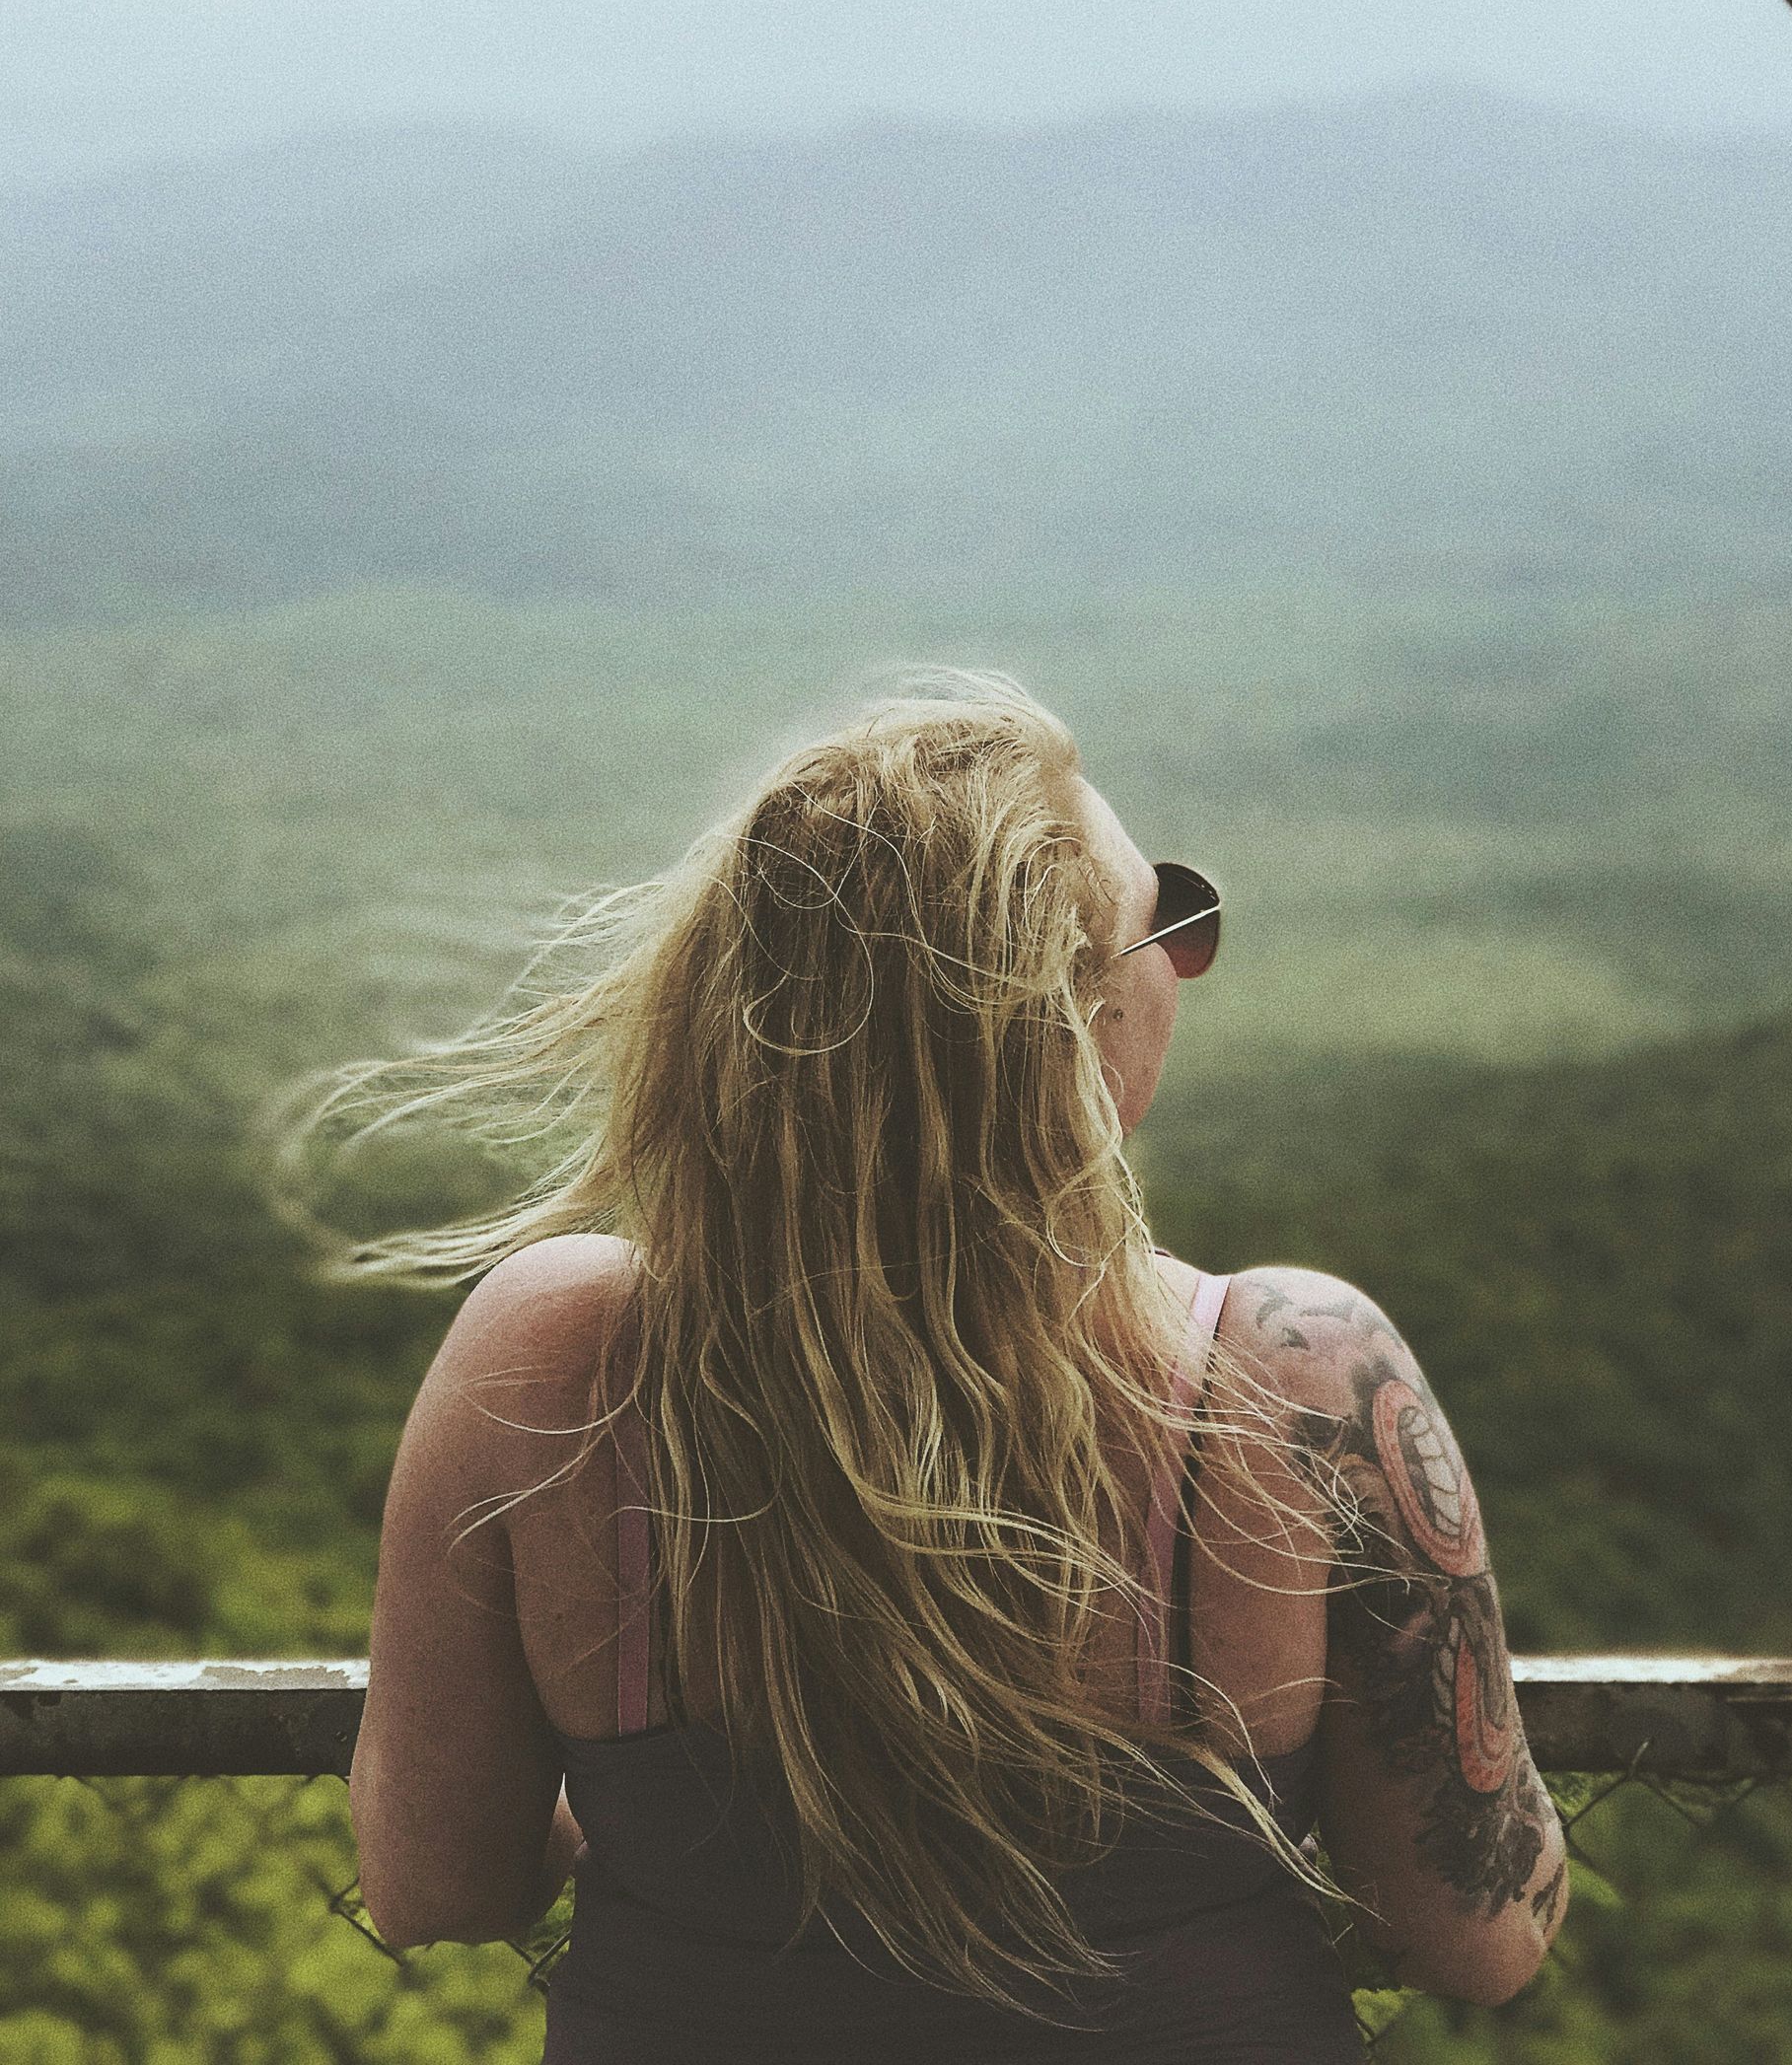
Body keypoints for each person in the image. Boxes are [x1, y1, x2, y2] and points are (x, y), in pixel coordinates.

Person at [338, 675, 1566, 2060]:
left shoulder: (550, 1354)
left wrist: (660, 1824)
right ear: (1067, 1037)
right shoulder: (1298, 1374)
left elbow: (433, 1884)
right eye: (1162, 922)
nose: (1181, 956)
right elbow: (1479, 1935)